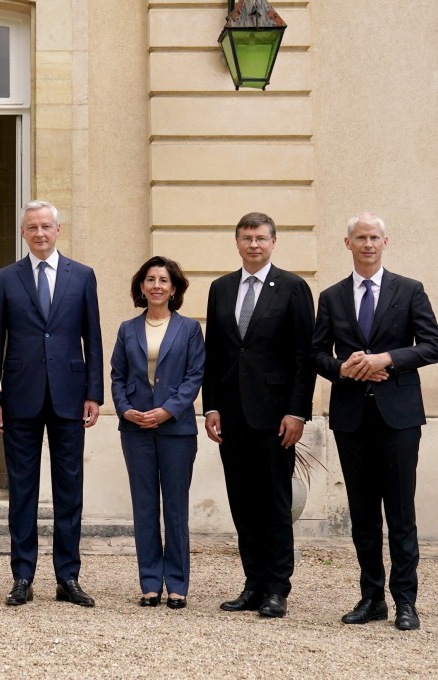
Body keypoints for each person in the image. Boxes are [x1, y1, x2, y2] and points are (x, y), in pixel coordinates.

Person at [311, 213, 438, 631]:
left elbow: (432, 345)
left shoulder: (409, 290)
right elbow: (316, 354)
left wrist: (386, 359)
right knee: (364, 514)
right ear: (346, 243)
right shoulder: (330, 297)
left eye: (374, 237)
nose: (368, 244)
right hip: (352, 418)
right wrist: (344, 370)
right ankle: (371, 598)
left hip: (398, 417)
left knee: (400, 512)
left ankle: (406, 601)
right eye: (360, 237)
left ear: (386, 242)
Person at [0, 200, 103, 608]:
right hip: (19, 396)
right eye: (32, 227)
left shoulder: (82, 276)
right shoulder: (5, 278)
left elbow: (93, 335)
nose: (39, 233)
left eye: (46, 227)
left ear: (58, 230)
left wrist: (94, 393)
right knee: (22, 490)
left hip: (71, 396)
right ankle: (22, 576)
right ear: (24, 233)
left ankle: (68, 576)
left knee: (70, 489)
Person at [203, 212, 315, 619]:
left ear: (273, 242)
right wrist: (210, 406)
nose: (254, 244)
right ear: (237, 242)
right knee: (243, 503)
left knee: (274, 502)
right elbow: (214, 352)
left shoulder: (293, 287)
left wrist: (297, 412)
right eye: (247, 238)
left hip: (275, 417)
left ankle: (277, 588)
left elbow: (304, 356)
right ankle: (252, 583)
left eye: (261, 238)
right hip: (231, 416)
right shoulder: (221, 288)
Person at [111, 256, 204, 610]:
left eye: (163, 280)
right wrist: (125, 409)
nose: (156, 286)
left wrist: (167, 411)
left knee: (176, 509)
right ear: (141, 286)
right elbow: (117, 377)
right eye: (150, 280)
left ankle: (177, 585)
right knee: (145, 507)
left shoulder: (190, 329)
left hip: (177, 429)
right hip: (135, 429)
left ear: (174, 288)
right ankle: (150, 583)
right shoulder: (126, 329)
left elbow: (195, 376)